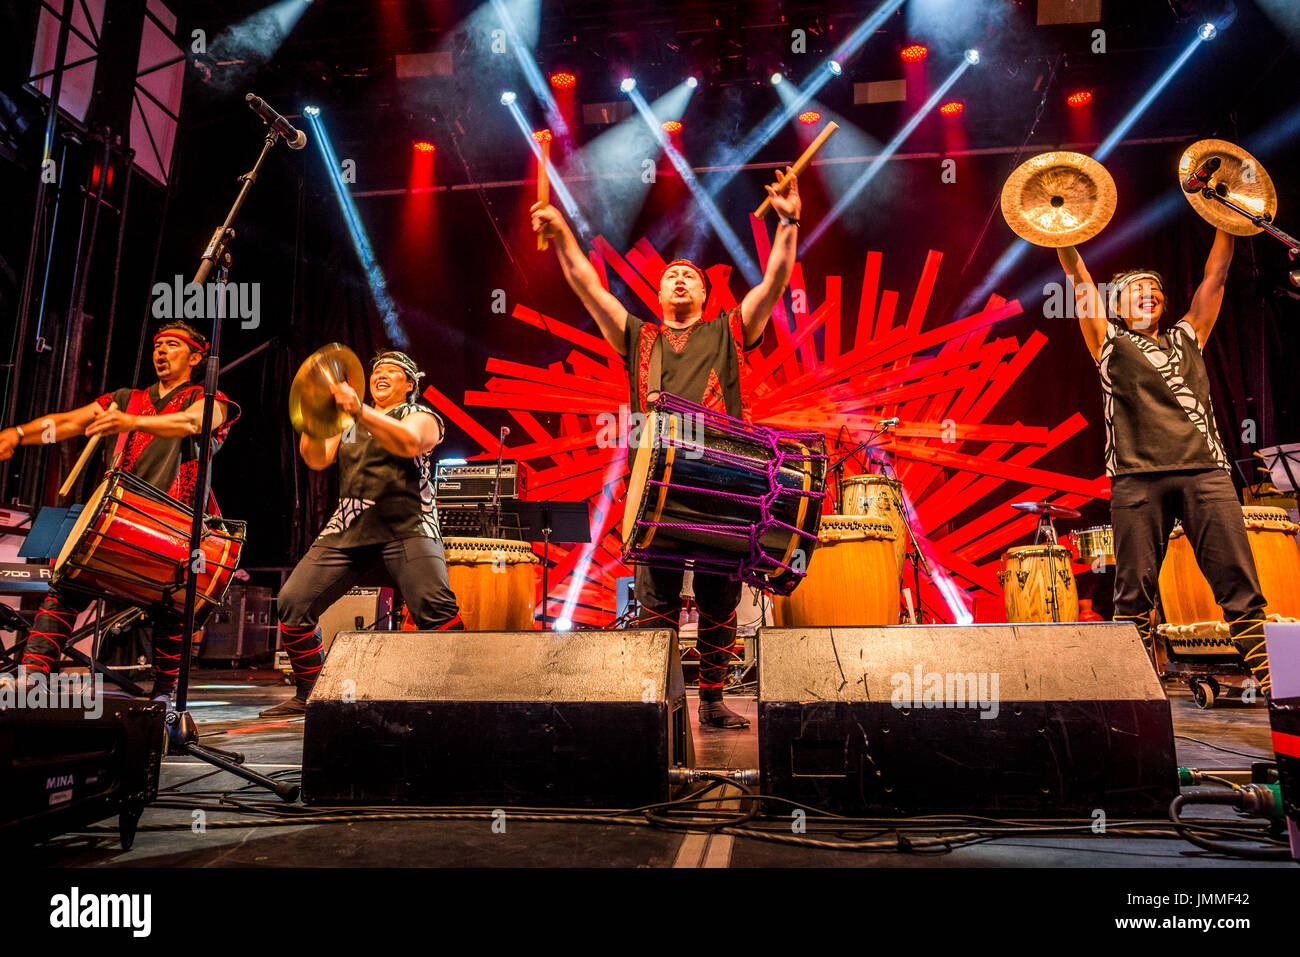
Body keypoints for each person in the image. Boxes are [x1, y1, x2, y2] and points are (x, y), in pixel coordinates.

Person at [531, 168, 803, 729]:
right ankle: (660, 700)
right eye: (671, 276)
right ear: (658, 294)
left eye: (690, 276)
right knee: (655, 603)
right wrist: (560, 235)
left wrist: (789, 222)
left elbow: (774, 280)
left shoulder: (729, 330)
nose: (680, 280)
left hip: (723, 486)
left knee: (719, 602)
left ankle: (710, 703)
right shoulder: (638, 336)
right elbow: (588, 286)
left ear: (705, 293)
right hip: (654, 489)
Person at [1057, 227, 1270, 694]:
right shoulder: (1107, 341)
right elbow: (1078, 276)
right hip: (1137, 480)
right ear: (1117, 305)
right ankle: (1128, 697)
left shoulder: (1188, 334)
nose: (1149, 294)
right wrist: (1059, 227)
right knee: (1132, 593)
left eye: (1155, 290)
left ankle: (1286, 692)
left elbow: (1216, 274)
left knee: (1242, 587)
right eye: (1137, 290)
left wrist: (1223, 220)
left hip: (1205, 473)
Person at [0, 321, 237, 699]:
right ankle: (32, 676)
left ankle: (164, 696)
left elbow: (191, 423)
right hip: (117, 517)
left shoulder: (210, 400)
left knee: (170, 610)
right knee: (67, 586)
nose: (161, 352)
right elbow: (69, 424)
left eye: (173, 346)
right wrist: (19, 434)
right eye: (159, 345)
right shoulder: (126, 398)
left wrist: (130, 422)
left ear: (195, 357)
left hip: (173, 523)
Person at [264, 350, 463, 717]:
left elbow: (407, 442)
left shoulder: (420, 416)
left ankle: (458, 695)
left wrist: (357, 410)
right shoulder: (349, 422)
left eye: (392, 371)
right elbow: (316, 457)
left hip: (408, 526)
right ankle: (312, 691)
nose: (381, 375)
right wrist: (317, 412)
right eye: (376, 371)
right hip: (349, 528)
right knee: (293, 603)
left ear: (410, 385)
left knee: (435, 611)